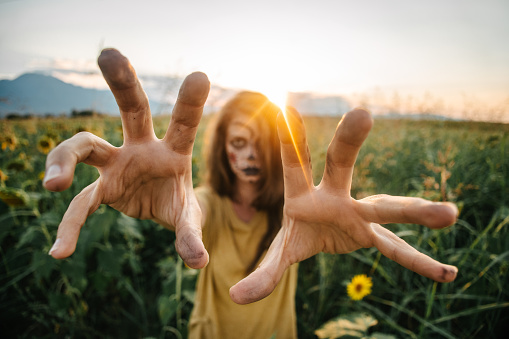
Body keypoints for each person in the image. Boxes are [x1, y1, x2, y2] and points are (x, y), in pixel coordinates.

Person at [43, 49, 459, 338]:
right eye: (237, 143)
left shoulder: (296, 215)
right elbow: (192, 212)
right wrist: (166, 201)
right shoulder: (206, 204)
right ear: (222, 148)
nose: (248, 156)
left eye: (259, 144)